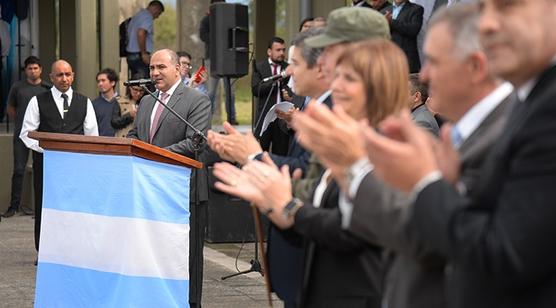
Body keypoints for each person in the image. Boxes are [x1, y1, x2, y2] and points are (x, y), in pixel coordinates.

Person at [360, 0, 556, 307]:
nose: (488, 24)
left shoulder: (545, 108)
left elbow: (504, 254)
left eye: (506, 6)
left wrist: (426, 180)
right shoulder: (530, 99)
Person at [213, 38, 410, 308]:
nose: (336, 87)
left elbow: (351, 228)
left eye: (348, 79)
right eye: (336, 77)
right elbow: (326, 212)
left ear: (378, 86)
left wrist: (287, 205)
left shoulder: (385, 146)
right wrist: (274, 204)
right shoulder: (349, 141)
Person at [127, 48, 211, 308]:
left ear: (178, 69)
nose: (154, 73)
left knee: (187, 259)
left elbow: (194, 142)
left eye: (161, 67)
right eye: (152, 68)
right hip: (151, 192)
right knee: (155, 256)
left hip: (186, 193)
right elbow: (136, 134)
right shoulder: (148, 100)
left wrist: (152, 154)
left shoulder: (196, 100)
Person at [20, 59, 99, 253]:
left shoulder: (84, 102)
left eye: (68, 74)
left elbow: (92, 135)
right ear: (51, 77)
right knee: (45, 207)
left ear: (73, 76)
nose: (64, 79)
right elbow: (26, 133)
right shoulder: (37, 101)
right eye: (60, 75)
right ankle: (45, 252)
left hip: (77, 165)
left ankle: (74, 250)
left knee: (75, 206)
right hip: (47, 164)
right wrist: (48, 150)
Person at [3, 56, 50, 218]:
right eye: (30, 68)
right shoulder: (18, 87)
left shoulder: (47, 88)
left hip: (40, 136)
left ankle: (41, 208)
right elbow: (10, 107)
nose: (33, 71)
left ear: (41, 69)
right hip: (21, 136)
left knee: (41, 171)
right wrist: (21, 122)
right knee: (18, 170)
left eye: (36, 68)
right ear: (26, 71)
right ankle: (13, 206)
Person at [199, 0, 237, 124]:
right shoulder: (207, 19)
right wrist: (218, 37)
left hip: (228, 58)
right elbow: (203, 35)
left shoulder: (229, 19)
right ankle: (207, 119)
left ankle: (231, 118)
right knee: (211, 91)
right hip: (212, 58)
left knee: (230, 91)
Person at [252, 36, 290, 156]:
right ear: (269, 51)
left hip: (282, 119)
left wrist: (289, 95)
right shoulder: (259, 67)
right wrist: (280, 77)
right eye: (278, 50)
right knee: (260, 153)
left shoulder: (288, 67)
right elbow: (256, 89)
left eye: (283, 50)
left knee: (281, 153)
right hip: (265, 117)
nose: (281, 53)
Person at [125, 0, 164, 79]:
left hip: (131, 54)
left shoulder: (138, 15)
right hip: (139, 56)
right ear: (155, 8)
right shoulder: (147, 17)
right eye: (158, 13)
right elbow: (141, 33)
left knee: (134, 83)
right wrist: (144, 54)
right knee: (143, 83)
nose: (157, 16)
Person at [384, 0, 424, 73]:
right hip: (387, 61)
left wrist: (392, 22)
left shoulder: (416, 9)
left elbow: (413, 30)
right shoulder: (384, 10)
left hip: (406, 60)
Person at [92, 68, 120, 137]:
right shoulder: (93, 104)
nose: (100, 84)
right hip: (100, 143)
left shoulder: (123, 103)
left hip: (119, 143)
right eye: (98, 81)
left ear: (112, 82)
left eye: (103, 80)